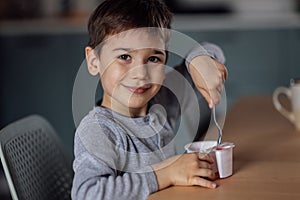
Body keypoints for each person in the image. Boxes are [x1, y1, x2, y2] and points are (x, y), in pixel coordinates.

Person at [71, 0, 227, 199]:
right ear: (94, 62)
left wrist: (200, 61)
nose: (140, 74)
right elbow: (87, 194)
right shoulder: (99, 130)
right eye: (125, 57)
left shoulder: (162, 101)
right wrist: (166, 174)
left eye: (153, 59)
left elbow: (210, 49)